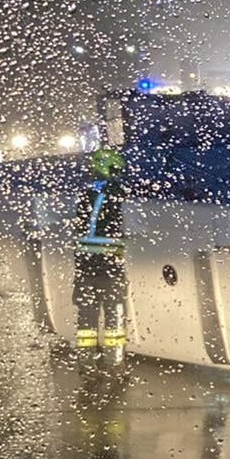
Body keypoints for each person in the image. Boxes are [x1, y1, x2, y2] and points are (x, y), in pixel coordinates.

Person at [73, 147, 128, 368]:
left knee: (86, 319)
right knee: (114, 317)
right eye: (116, 169)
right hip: (110, 266)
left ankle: (87, 364)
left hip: (85, 266)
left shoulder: (87, 192)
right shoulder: (116, 192)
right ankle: (115, 364)